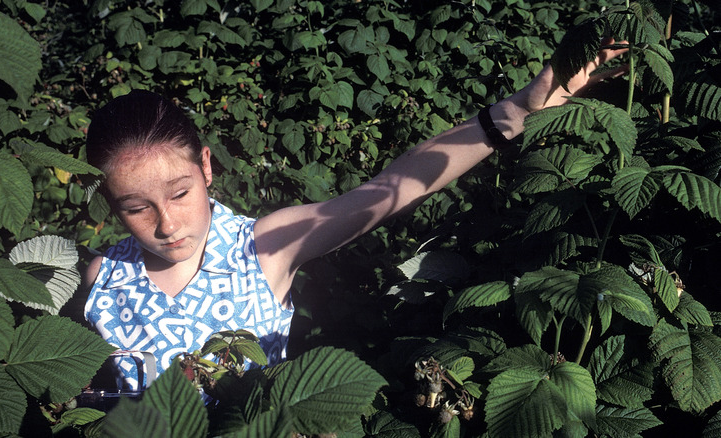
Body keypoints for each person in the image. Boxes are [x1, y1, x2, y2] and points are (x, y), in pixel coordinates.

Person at [83, 39, 627, 390]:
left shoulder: (262, 248)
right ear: (112, 204)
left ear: (206, 167)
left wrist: (521, 108)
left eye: (179, 193)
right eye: (136, 207)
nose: (167, 223)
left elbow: (388, 190)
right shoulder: (97, 277)